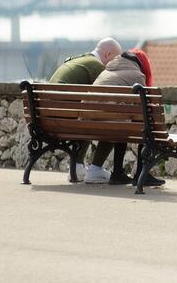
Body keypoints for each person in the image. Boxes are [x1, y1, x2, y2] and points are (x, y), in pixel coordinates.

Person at [85, 48, 164, 187]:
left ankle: (117, 174)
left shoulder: (105, 72)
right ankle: (141, 173)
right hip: (114, 124)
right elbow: (144, 109)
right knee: (144, 124)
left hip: (89, 123)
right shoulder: (137, 76)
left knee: (121, 122)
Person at [47, 37, 122, 180]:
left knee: (86, 115)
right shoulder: (96, 66)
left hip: (48, 119)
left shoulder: (78, 60)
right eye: (116, 59)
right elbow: (106, 99)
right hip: (68, 119)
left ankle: (78, 167)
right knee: (114, 122)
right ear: (108, 55)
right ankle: (95, 169)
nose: (116, 64)